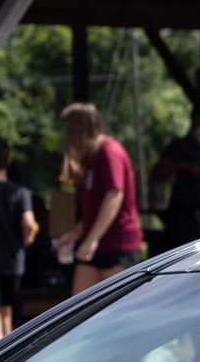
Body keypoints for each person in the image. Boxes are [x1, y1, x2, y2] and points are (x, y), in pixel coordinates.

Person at [59, 102, 145, 292]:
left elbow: (115, 194)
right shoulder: (91, 157)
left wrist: (91, 239)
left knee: (117, 310)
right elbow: (94, 208)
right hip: (95, 244)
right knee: (78, 307)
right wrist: (75, 233)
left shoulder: (109, 151)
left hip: (117, 243)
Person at [153, 112, 200, 250]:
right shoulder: (179, 146)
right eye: (197, 124)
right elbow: (157, 174)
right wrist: (182, 165)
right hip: (183, 218)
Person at [0, 136, 33, 338]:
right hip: (13, 262)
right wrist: (26, 242)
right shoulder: (20, 192)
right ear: (8, 159)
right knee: (9, 313)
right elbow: (28, 223)